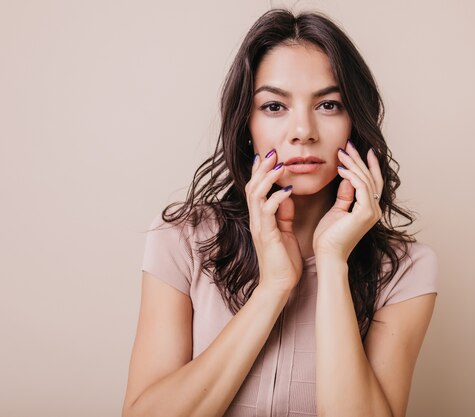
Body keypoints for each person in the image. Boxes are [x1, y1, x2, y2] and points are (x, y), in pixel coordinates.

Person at [122, 8, 438, 417]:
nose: (303, 131)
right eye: (274, 106)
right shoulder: (180, 241)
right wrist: (272, 288)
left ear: (354, 123)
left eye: (329, 104)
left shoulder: (406, 269)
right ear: (246, 125)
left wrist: (332, 261)